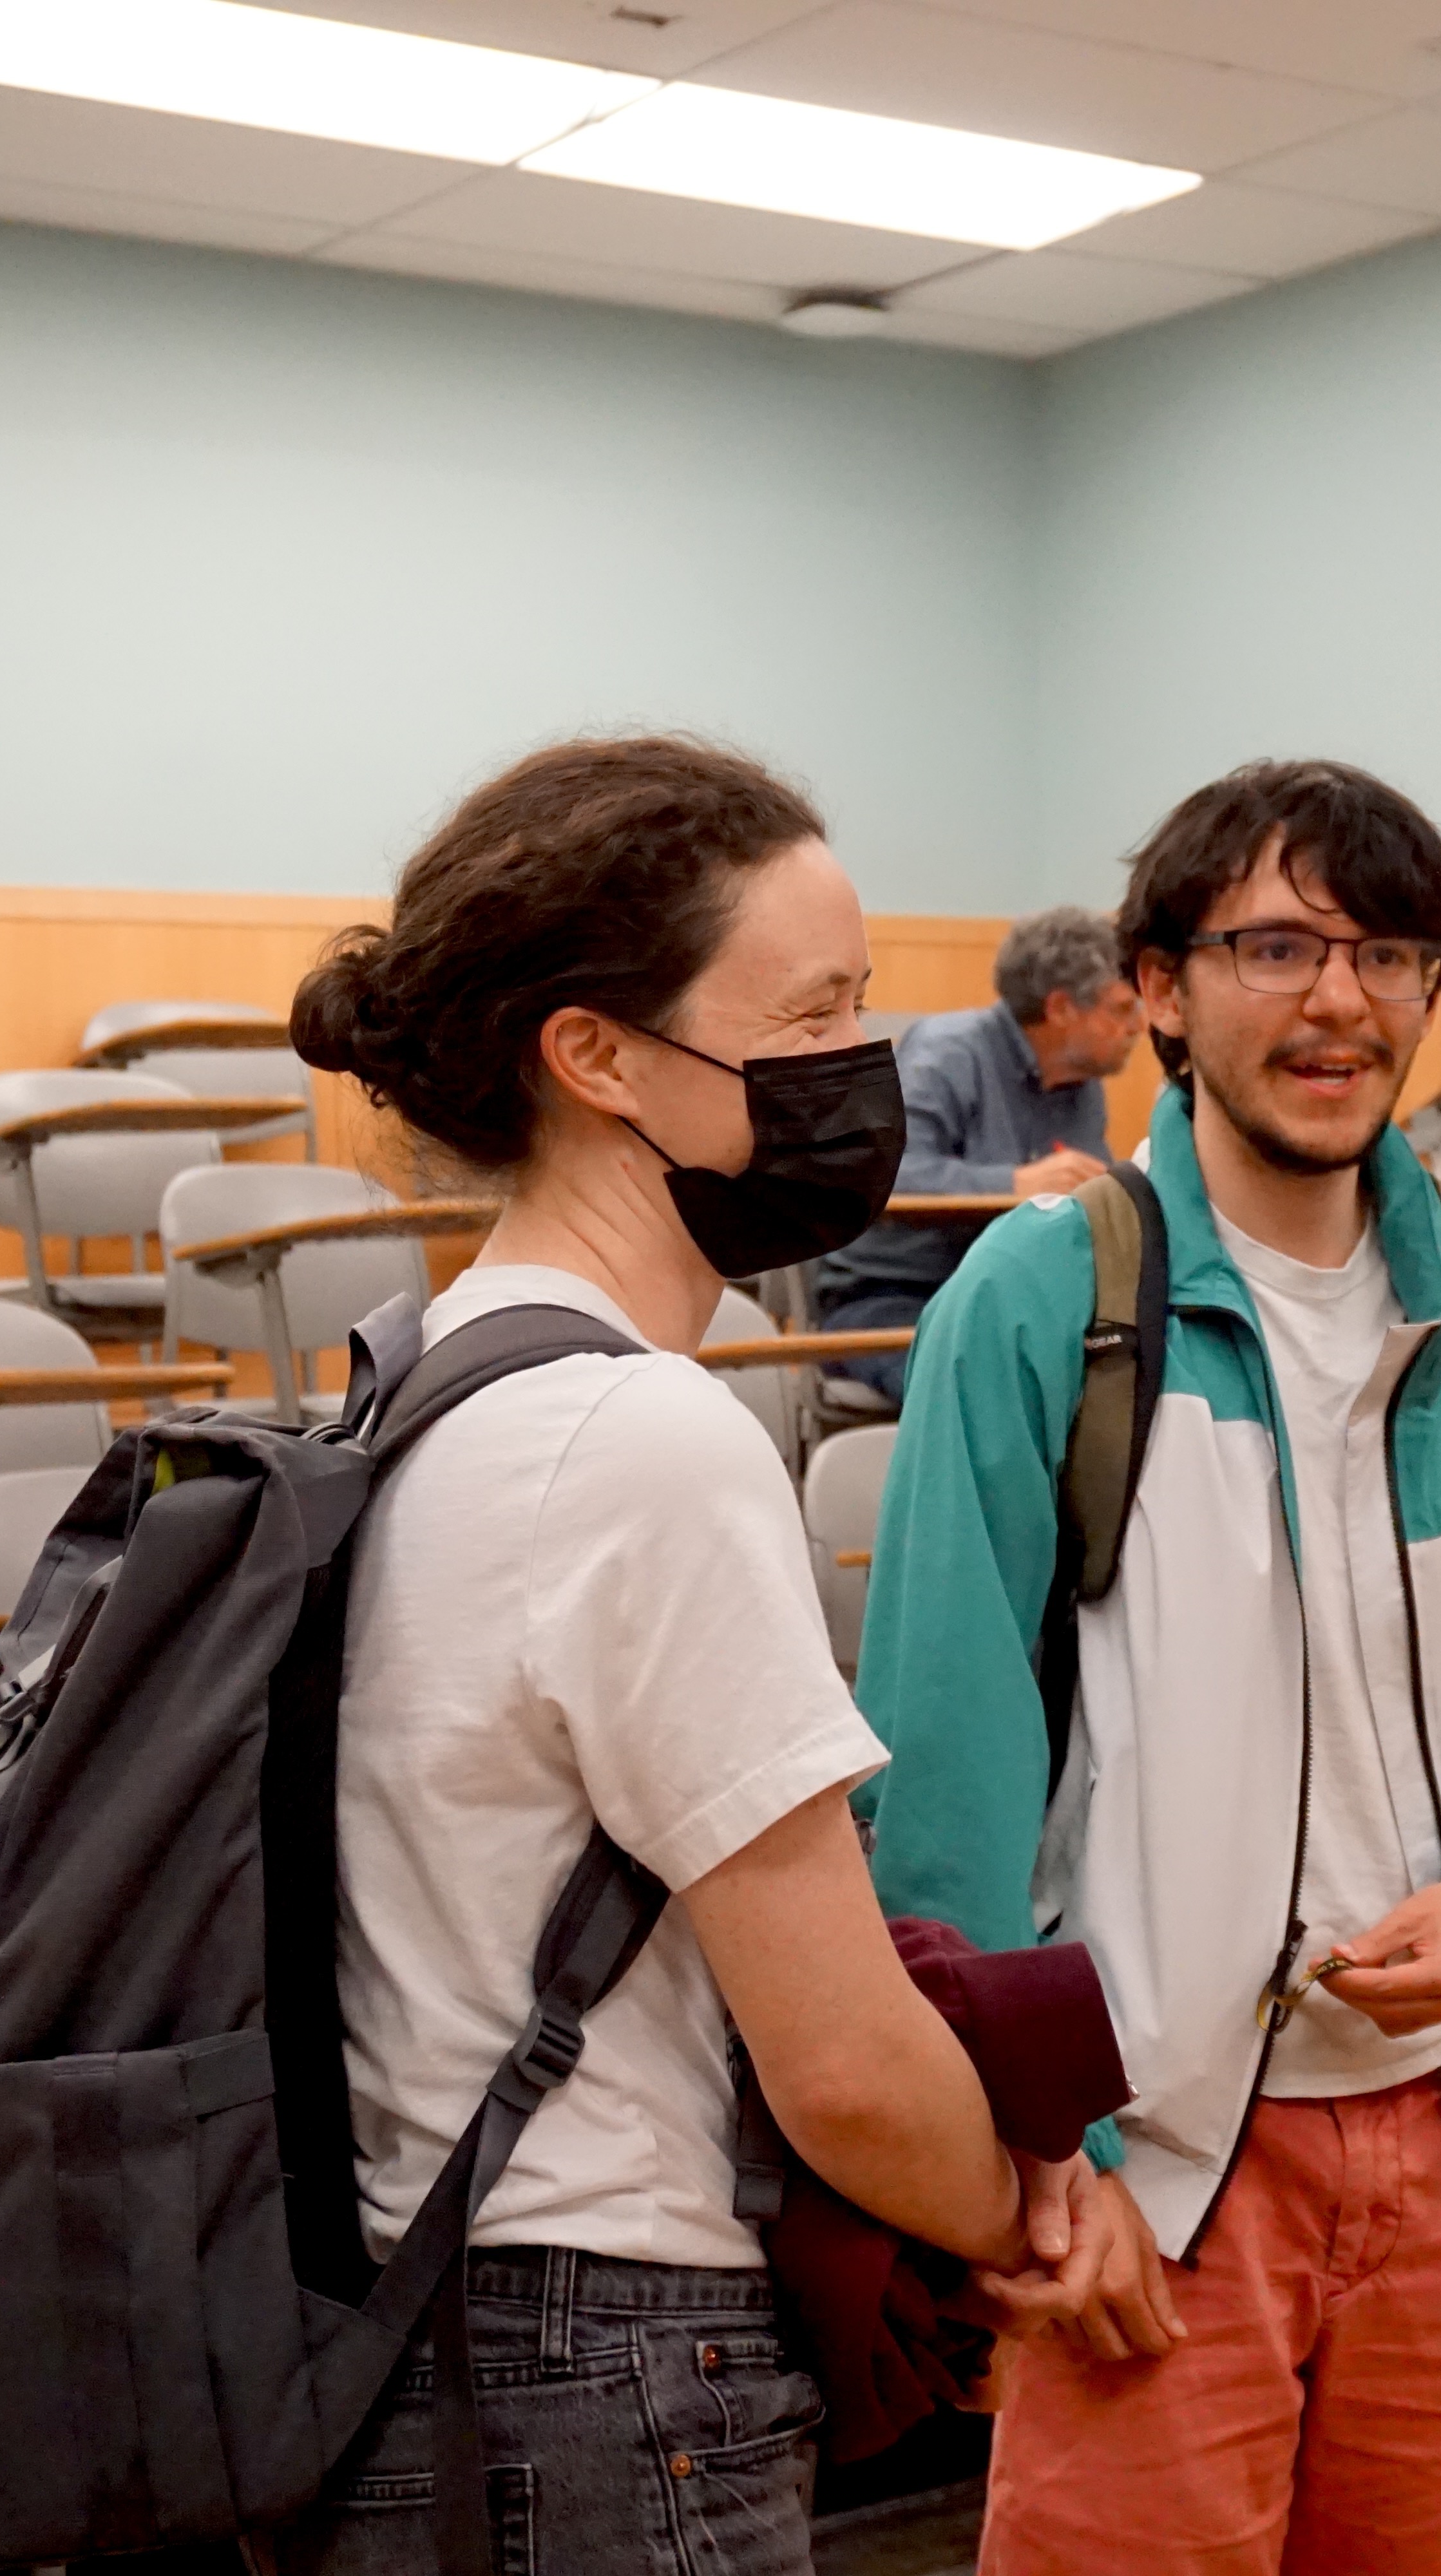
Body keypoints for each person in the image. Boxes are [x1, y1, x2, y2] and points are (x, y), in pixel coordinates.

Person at [283, 737, 1100, 2571]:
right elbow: (845, 2068)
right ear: (594, 1056)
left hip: (412, 2322)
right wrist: (1022, 2220)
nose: (857, 1071)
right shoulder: (640, 1440)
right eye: (811, 1014)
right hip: (602, 2353)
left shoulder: (420, 1373)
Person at [857, 759, 1441, 2576]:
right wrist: (1046, 2171)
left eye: (1387, 954)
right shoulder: (1045, 1301)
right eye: (1275, 945)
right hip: (1152, 2172)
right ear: (1156, 989)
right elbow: (945, 1793)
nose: (1337, 1000)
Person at [808, 903, 1145, 1404]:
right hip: (888, 1300)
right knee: (994, 1397)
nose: (1140, 1025)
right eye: (1122, 1009)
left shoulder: (1083, 1081)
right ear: (1060, 1009)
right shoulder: (950, 1052)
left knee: (1126, 1381)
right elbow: (876, 1173)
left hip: (1009, 1301)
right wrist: (1015, 1186)